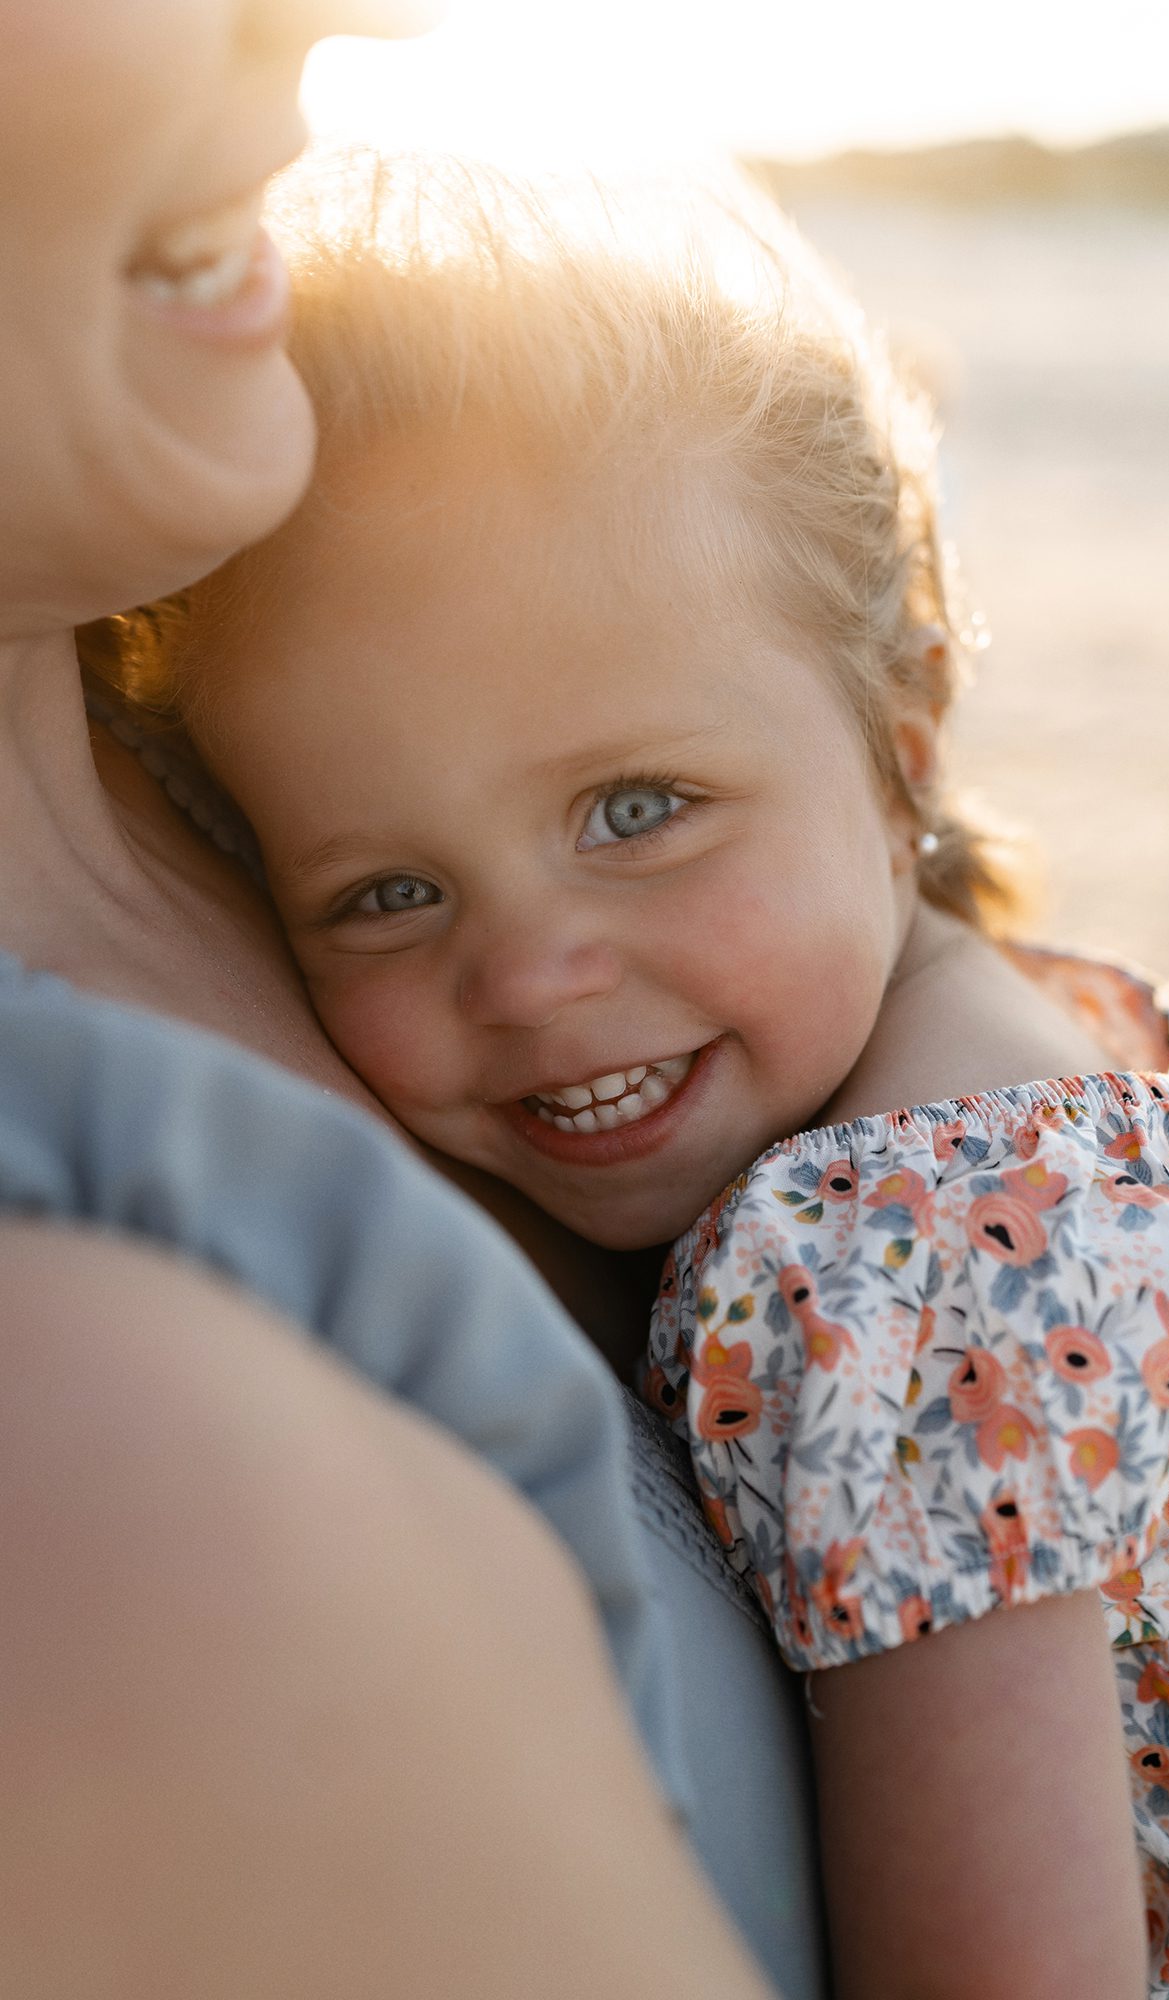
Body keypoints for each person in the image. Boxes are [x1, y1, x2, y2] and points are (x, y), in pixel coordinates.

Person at [143, 153, 1169, 2000]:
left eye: (638, 810)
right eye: (386, 890)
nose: (531, 973)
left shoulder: (906, 1262)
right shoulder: (1034, 1041)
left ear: (897, 745)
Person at [0, 11, 822, 1995]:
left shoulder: (284, 725)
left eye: (634, 815)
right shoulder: (90, 1449)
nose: (334, 11)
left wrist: (970, 1074)